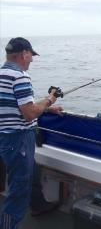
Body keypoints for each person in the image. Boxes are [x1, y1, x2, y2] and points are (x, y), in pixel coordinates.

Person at [0, 37, 62, 229]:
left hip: (4, 137)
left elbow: (13, 103)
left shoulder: (2, 73)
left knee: (29, 174)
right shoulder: (20, 76)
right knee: (19, 191)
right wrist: (50, 99)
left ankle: (38, 204)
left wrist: (45, 107)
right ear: (24, 53)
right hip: (18, 139)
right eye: (31, 55)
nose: (32, 60)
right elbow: (29, 113)